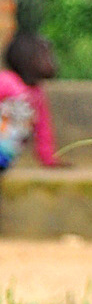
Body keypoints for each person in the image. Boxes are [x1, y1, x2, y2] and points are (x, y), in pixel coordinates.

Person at [0, 27, 57, 188]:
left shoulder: (37, 93)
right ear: (25, 59)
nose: (49, 61)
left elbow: (43, 127)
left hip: (6, 158)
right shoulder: (6, 81)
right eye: (43, 56)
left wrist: (48, 159)